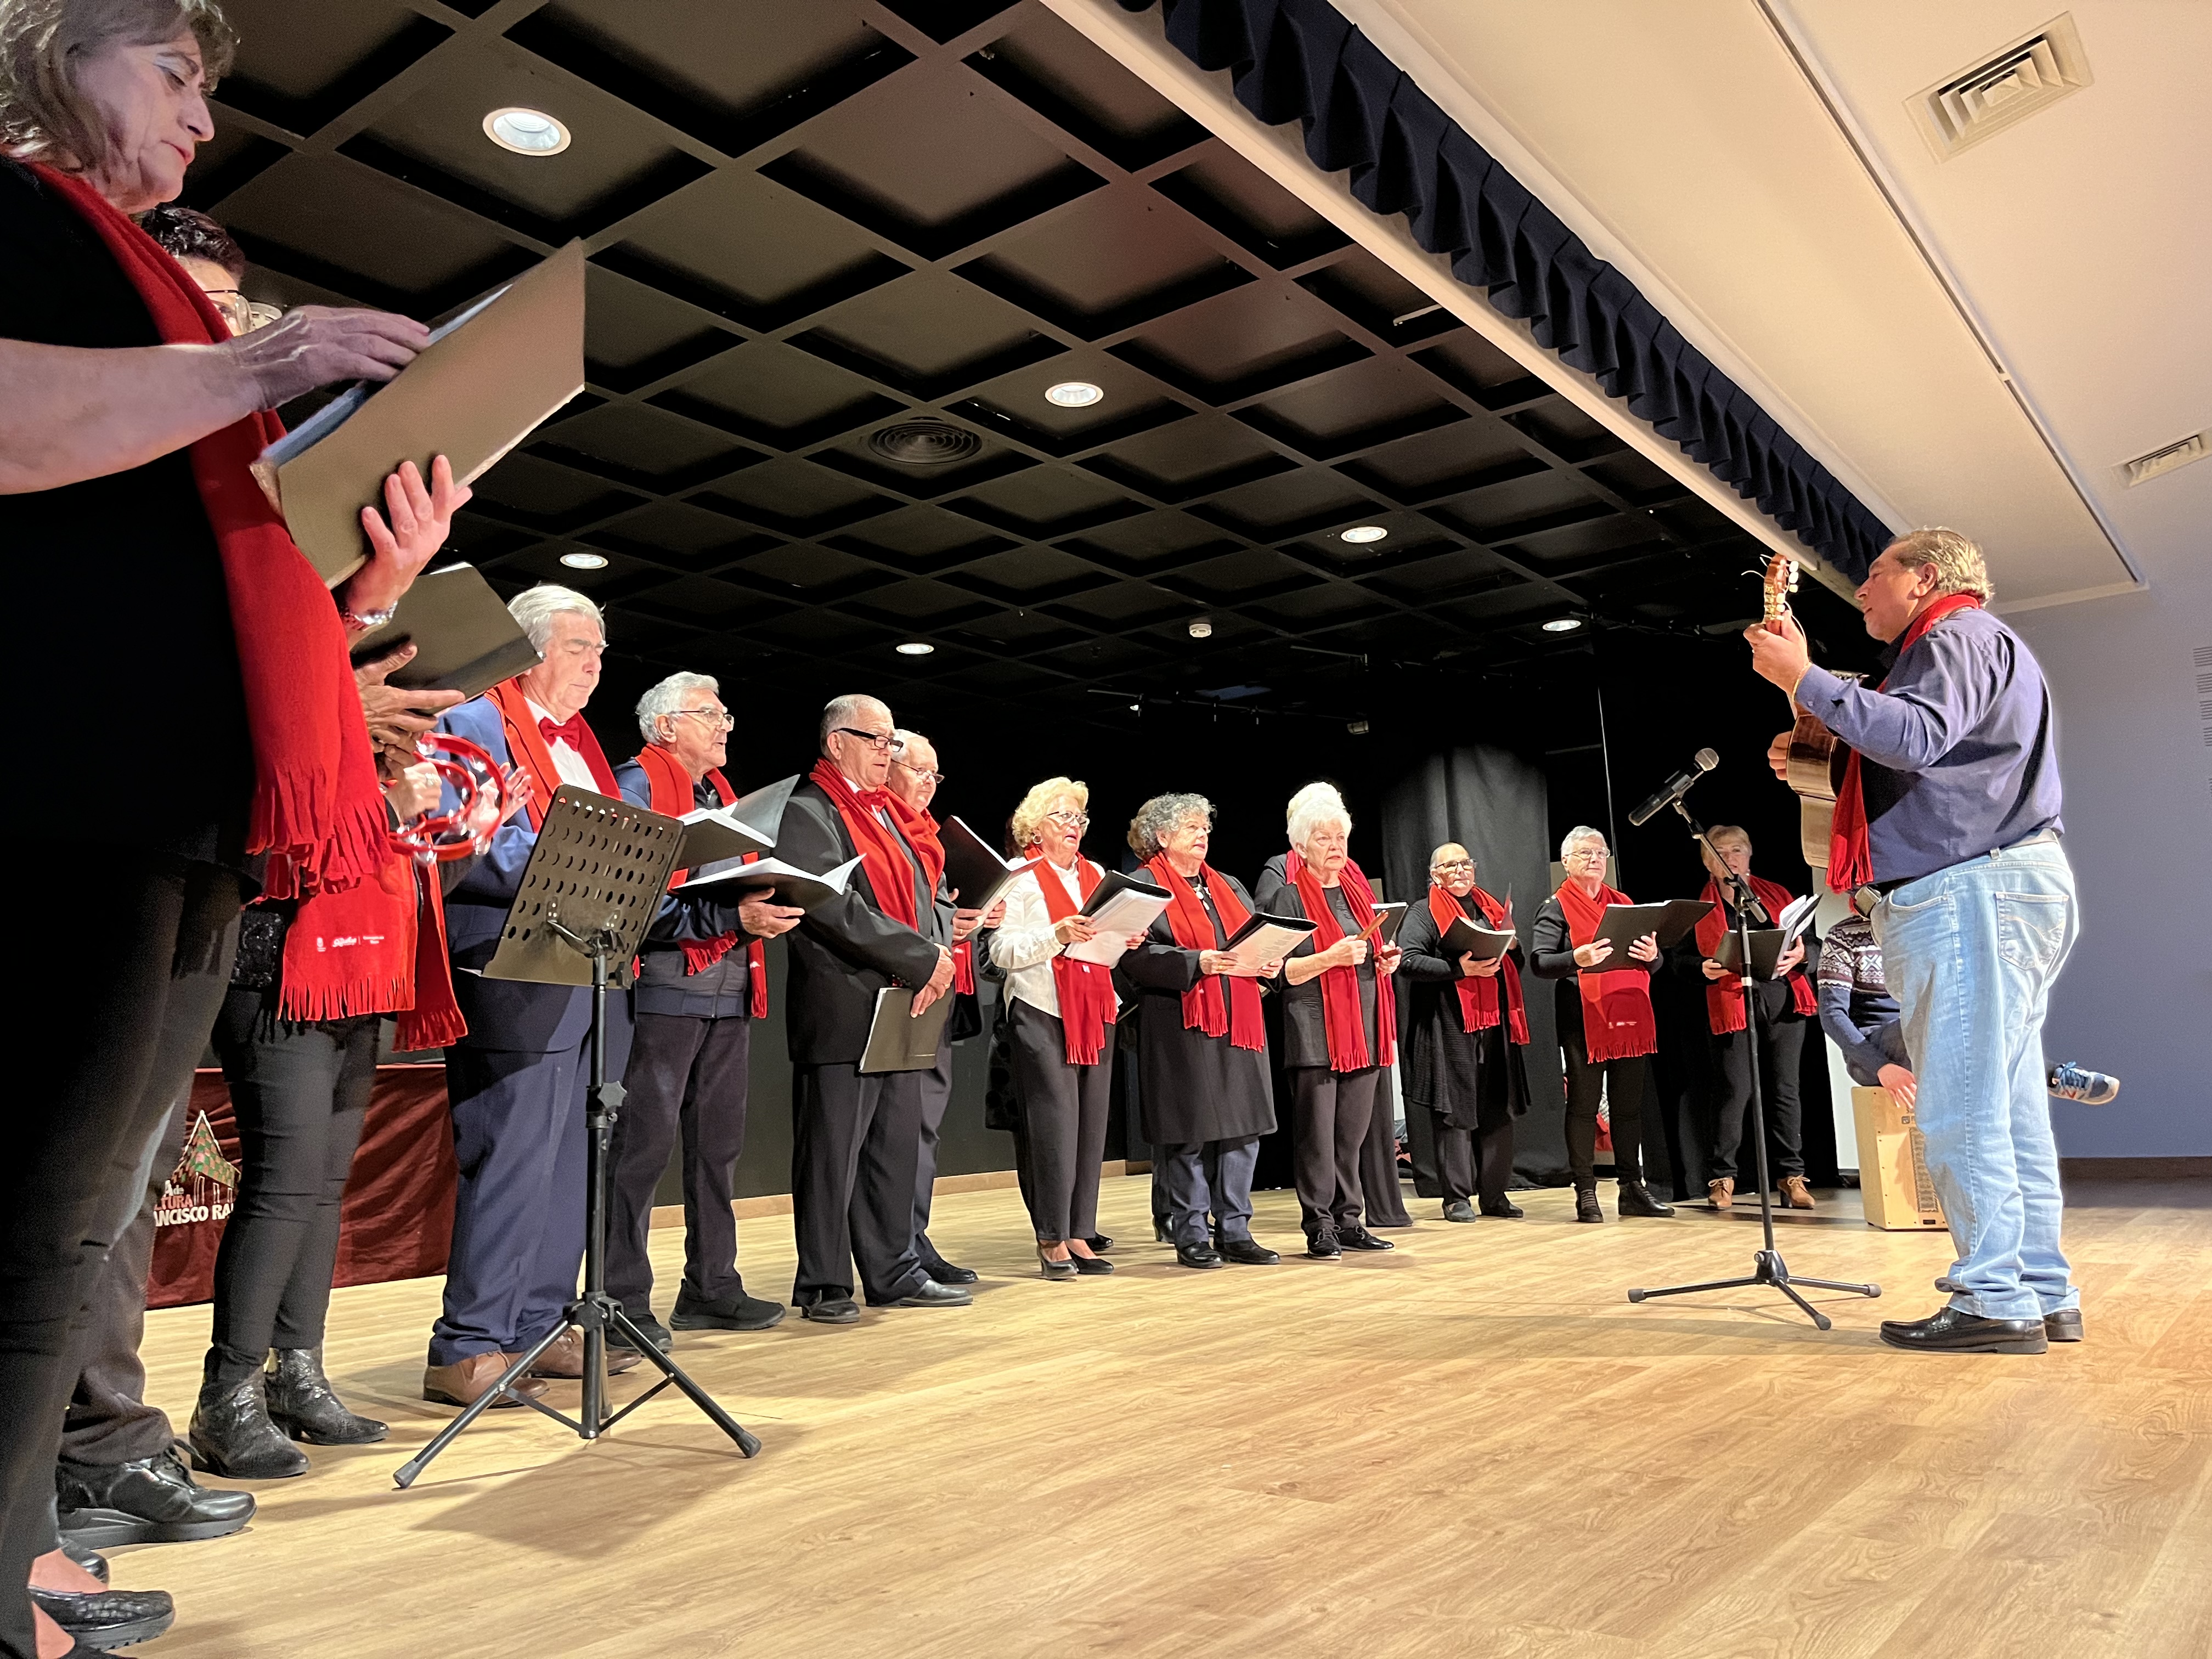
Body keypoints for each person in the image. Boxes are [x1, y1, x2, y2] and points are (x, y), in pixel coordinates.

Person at [1, 9, 455, 1645]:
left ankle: (18, 1548)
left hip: (184, 811)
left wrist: (377, 573)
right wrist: (260, 361)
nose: (204, 112)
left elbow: (211, 588)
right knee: (33, 1214)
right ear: (49, 45)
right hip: (57, 789)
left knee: (75, 1220)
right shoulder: (19, 215)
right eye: (177, 70)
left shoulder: (146, 281)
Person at [1748, 527, 2079, 1355]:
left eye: (1873, 574)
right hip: (2006, 883)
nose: (1860, 589)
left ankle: (1993, 1298)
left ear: (1925, 579)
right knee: (2007, 1105)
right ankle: (2041, 1289)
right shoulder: (1969, 645)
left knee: (1961, 1102)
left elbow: (1914, 737)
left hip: (1971, 888)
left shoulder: (1953, 637)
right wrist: (1821, 739)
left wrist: (1806, 680)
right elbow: (1916, 747)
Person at [425, 586, 642, 1405]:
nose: (596, 663)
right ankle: (467, 1343)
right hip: (510, 963)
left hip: (593, 966)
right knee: (512, 1155)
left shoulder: (585, 746)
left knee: (574, 1158)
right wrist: (578, 866)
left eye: (599, 650)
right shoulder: (476, 720)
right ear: (530, 646)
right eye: (582, 646)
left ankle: (541, 1325)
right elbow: (463, 845)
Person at [606, 673, 803, 1352]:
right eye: (709, 715)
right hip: (660, 990)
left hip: (729, 987)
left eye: (726, 714)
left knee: (718, 1151)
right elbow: (626, 901)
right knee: (640, 1153)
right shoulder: (633, 787)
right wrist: (731, 913)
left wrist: (764, 907)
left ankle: (711, 1286)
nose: (725, 726)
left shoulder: (722, 796)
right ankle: (624, 1300)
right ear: (665, 727)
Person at [778, 696, 964, 1323]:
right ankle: (824, 1284)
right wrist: (922, 956)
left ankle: (894, 1272)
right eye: (876, 739)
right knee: (833, 1154)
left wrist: (932, 955)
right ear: (837, 743)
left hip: (901, 1001)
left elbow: (912, 900)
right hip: (844, 1005)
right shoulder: (810, 811)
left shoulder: (888, 815)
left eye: (892, 741)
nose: (889, 751)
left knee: (893, 1148)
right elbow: (832, 907)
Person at [989, 780, 1144, 1279]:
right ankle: (1051, 1236)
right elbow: (1000, 952)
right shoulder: (1017, 875)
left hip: (1096, 1006)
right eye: (1062, 817)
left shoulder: (1097, 873)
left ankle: (1080, 1231)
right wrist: (1056, 934)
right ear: (1035, 827)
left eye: (1080, 819)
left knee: (1092, 1124)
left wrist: (1127, 936)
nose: (1074, 827)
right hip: (1040, 1007)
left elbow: (1106, 942)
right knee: (1054, 1125)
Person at [1121, 795, 1283, 1269]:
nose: (1202, 834)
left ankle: (1235, 1230)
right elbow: (1131, 956)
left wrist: (1269, 963)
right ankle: (1191, 1232)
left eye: (1205, 826)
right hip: (1179, 1020)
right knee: (1186, 1132)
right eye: (1191, 827)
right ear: (1163, 837)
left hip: (1240, 1018)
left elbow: (1255, 938)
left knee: (1243, 1129)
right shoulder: (1144, 887)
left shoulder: (1228, 885)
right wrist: (1197, 962)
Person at [1254, 784, 1402, 1260]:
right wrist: (1331, 958)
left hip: (1364, 1025)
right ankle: (1318, 1224)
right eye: (1323, 839)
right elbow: (1281, 974)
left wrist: (1384, 961)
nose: (1336, 846)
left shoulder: (1360, 893)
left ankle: (1350, 1219)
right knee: (1317, 1135)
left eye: (1341, 837)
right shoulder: (1287, 897)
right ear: (1300, 847)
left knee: (1352, 1135)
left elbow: (1367, 952)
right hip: (1314, 1027)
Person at [883, 729, 994, 1288]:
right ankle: (894, 1244)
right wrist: (949, 924)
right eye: (918, 771)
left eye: (936, 775)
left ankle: (914, 1236)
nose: (928, 783)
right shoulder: (883, 830)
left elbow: (936, 917)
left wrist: (968, 923)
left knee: (926, 1129)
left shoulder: (930, 838)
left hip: (941, 995)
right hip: (898, 993)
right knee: (901, 1132)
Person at [1530, 828, 1674, 1223]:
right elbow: (1540, 962)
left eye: (1600, 852)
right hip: (1584, 1020)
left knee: (1629, 1108)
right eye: (1585, 853)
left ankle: (1632, 1187)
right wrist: (1577, 958)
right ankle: (1586, 1191)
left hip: (1630, 1017)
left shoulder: (1625, 904)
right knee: (1583, 1106)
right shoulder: (1555, 907)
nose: (1595, 859)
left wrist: (1654, 956)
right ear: (1567, 862)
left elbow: (1653, 963)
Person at [1680, 825, 1818, 1211]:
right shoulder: (1701, 907)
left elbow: (1812, 945)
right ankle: (1723, 1178)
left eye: (1738, 849)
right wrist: (1700, 968)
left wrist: (1802, 957)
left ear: (1750, 855)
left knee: (1785, 1090)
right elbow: (1679, 962)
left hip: (1782, 998)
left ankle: (1792, 1177)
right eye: (1721, 852)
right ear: (1709, 862)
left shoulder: (1778, 895)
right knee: (1733, 1092)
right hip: (1731, 1000)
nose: (1731, 857)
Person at [1396, 843, 1532, 1222]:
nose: (1460, 871)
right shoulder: (1424, 912)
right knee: (1455, 1111)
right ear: (1435, 874)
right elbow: (1408, 961)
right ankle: (1456, 1197)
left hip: (1496, 1023)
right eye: (1450, 865)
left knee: (1498, 1108)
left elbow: (1514, 963)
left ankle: (1495, 1195)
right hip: (1449, 1024)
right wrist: (1460, 971)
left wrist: (1513, 943)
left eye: (1466, 863)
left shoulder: (1491, 910)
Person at [1815, 893, 1914, 1099]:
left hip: (1918, 1035)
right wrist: (1881, 1066)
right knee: (1921, 1027)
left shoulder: (1919, 931)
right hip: (1871, 1049)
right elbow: (1832, 1015)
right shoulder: (1843, 937)